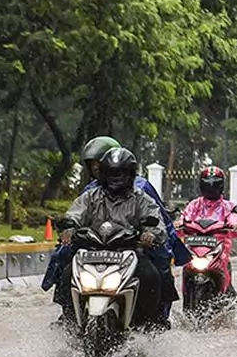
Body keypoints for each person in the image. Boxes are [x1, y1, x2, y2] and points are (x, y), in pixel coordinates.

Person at [42, 135, 183, 322]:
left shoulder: (140, 197)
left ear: (130, 175)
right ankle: (69, 321)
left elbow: (156, 221)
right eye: (110, 173)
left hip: (131, 252)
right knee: (67, 272)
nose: (115, 178)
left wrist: (150, 235)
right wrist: (69, 228)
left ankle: (151, 324)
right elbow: (75, 214)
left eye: (121, 173)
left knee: (152, 276)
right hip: (92, 251)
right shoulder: (91, 196)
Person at [177, 166, 237, 293]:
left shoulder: (227, 206)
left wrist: (235, 223)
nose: (211, 188)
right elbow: (185, 216)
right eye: (207, 185)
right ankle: (186, 295)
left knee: (223, 263)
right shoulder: (195, 204)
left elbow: (233, 217)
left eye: (215, 185)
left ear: (221, 186)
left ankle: (225, 292)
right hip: (195, 244)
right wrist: (179, 223)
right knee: (187, 266)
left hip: (218, 247)